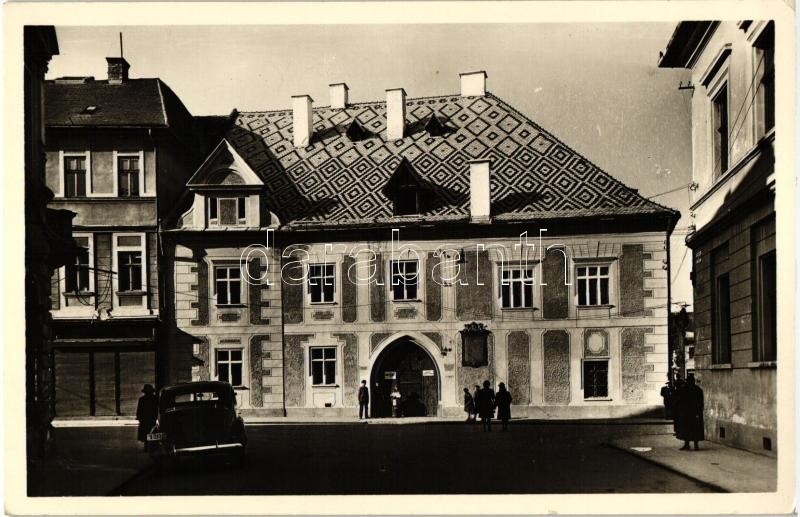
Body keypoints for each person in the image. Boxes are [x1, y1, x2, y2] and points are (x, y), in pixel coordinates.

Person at [675, 376, 705, 450]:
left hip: (692, 413)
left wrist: (698, 413)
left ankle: (694, 445)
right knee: (688, 429)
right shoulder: (685, 389)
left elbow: (700, 403)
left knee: (694, 429)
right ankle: (687, 445)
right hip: (688, 413)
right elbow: (680, 400)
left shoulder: (696, 390)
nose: (688, 382)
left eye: (689, 381)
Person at [136, 384, 158, 449]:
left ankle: (147, 446)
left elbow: (139, 409)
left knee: (145, 432)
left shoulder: (142, 399)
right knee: (151, 431)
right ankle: (152, 445)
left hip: (145, 418)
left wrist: (139, 417)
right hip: (152, 418)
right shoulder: (155, 398)